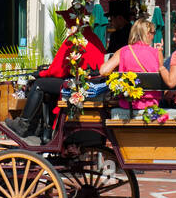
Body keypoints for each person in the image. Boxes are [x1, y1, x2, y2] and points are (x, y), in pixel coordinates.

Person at [12, 9, 106, 141]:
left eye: (68, 21)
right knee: (49, 84)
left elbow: (57, 70)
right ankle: (43, 128)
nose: (67, 25)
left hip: (79, 86)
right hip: (92, 84)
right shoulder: (93, 37)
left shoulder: (75, 39)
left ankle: (24, 124)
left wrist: (40, 74)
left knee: (39, 85)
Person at [99, 19, 162, 110]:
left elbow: (103, 71)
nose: (153, 36)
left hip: (127, 103)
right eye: (153, 33)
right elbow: (160, 77)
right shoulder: (156, 52)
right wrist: (159, 52)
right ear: (147, 34)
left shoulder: (123, 51)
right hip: (151, 104)